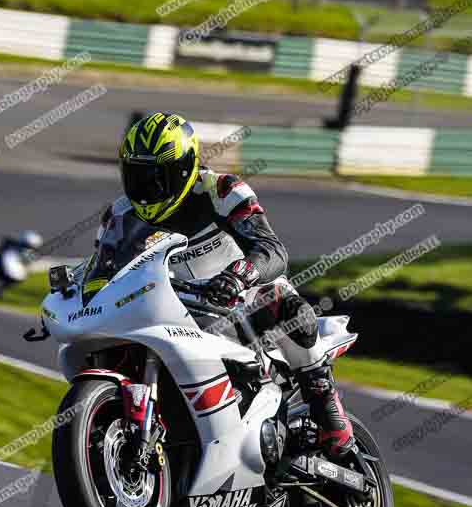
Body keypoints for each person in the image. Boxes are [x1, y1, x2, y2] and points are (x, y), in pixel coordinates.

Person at [94, 112, 353, 459]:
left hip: (239, 299)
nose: (146, 188)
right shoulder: (119, 217)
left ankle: (327, 407)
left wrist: (239, 275)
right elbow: (101, 273)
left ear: (185, 169)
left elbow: (272, 249)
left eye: (157, 177)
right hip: (172, 310)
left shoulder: (220, 191)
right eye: (136, 175)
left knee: (281, 301)